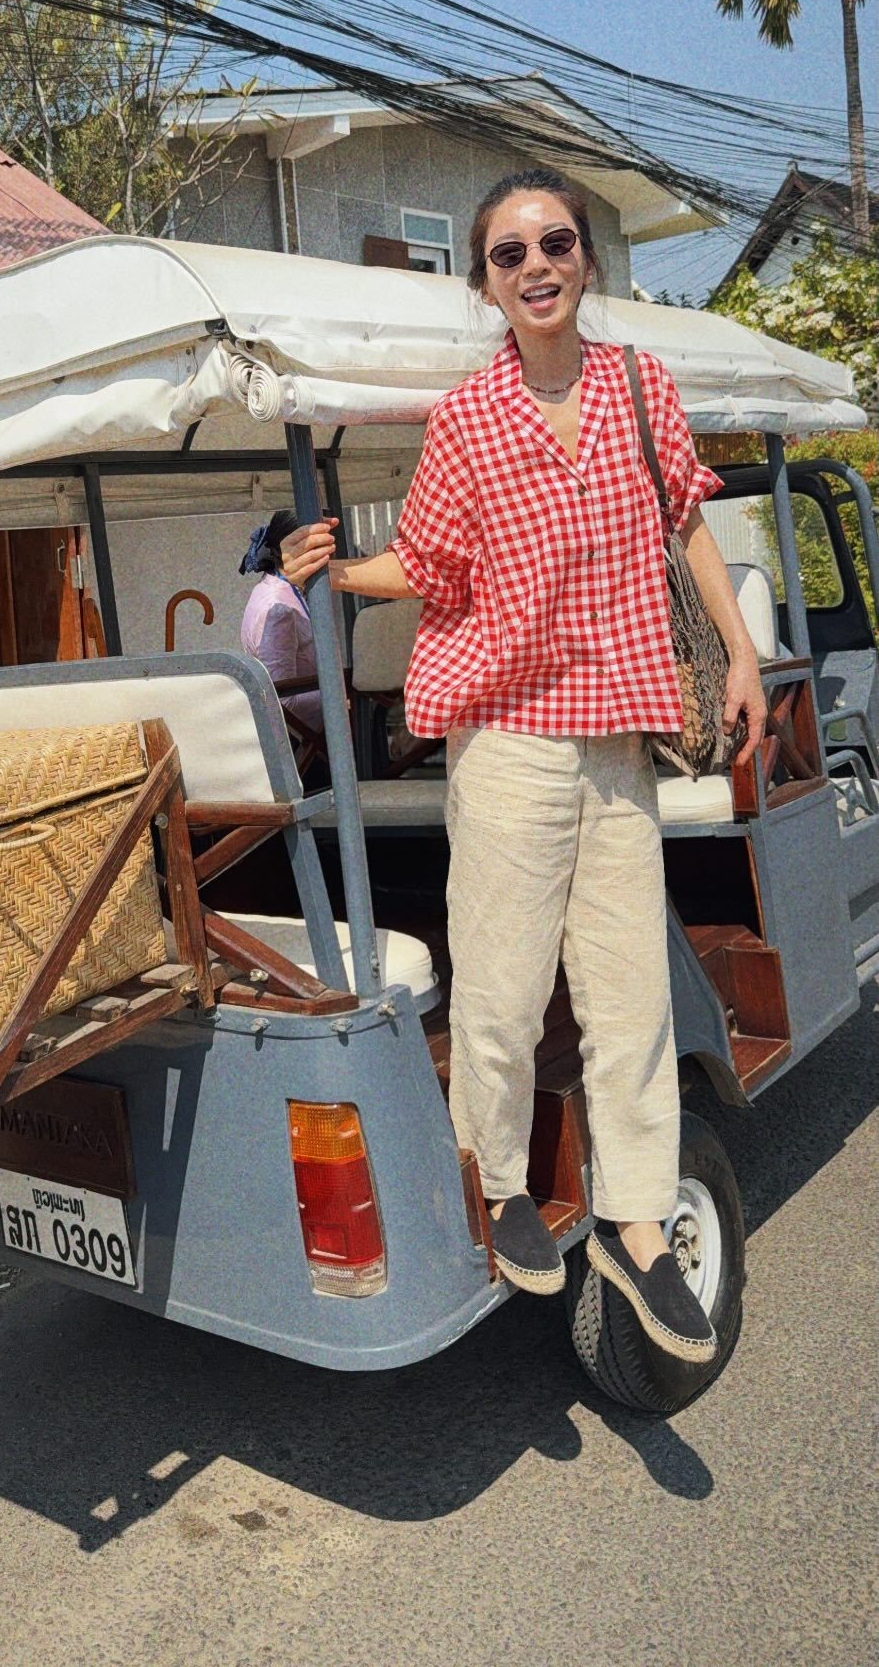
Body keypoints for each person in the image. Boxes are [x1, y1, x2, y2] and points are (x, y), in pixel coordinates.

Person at [281, 167, 766, 1365]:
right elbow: (434, 565)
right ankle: (501, 1182)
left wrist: (745, 652)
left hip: (621, 741)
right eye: (509, 252)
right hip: (503, 742)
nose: (536, 264)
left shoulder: (643, 389)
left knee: (631, 999)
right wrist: (329, 570)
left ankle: (639, 1227)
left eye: (555, 241)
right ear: (488, 281)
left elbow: (689, 524)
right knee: (498, 989)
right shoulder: (469, 417)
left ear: (586, 258)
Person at [239, 510, 323, 733]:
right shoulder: (278, 608)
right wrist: (338, 698)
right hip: (306, 740)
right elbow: (284, 698)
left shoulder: (273, 588)